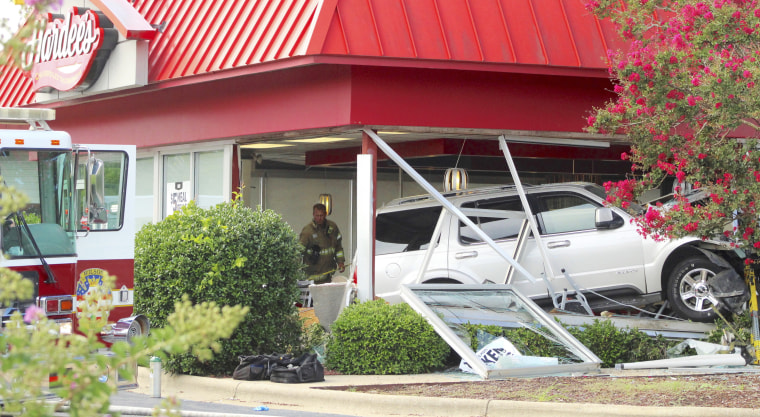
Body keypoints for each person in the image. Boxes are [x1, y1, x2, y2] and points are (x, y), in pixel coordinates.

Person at [299, 203, 345, 283]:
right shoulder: (307, 231)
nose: (319, 218)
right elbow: (299, 251)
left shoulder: (332, 227)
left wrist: (340, 262)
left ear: (325, 214)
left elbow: (338, 247)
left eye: (321, 215)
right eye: (317, 215)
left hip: (327, 275)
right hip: (312, 276)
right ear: (313, 215)